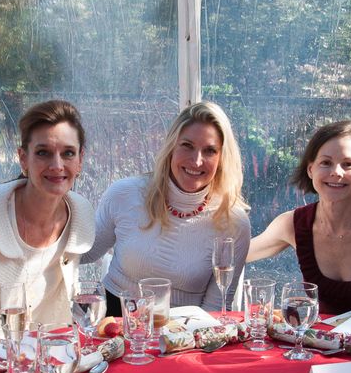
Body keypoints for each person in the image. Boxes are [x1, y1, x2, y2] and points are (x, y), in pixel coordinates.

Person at [85, 101, 251, 316]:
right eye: (187, 146)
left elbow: (216, 309)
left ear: (222, 159)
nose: (197, 161)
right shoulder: (124, 193)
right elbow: (83, 252)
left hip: (184, 333)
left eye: (210, 151)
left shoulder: (233, 222)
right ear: (171, 146)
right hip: (112, 322)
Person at [0, 100, 95, 344]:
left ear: (80, 160)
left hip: (53, 358)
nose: (57, 165)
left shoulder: (81, 213)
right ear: (23, 158)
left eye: (68, 153)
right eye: (43, 153)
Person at [247, 120, 351, 313]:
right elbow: (233, 256)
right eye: (326, 163)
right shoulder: (292, 224)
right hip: (319, 341)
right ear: (311, 169)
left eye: (348, 164)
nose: (336, 172)